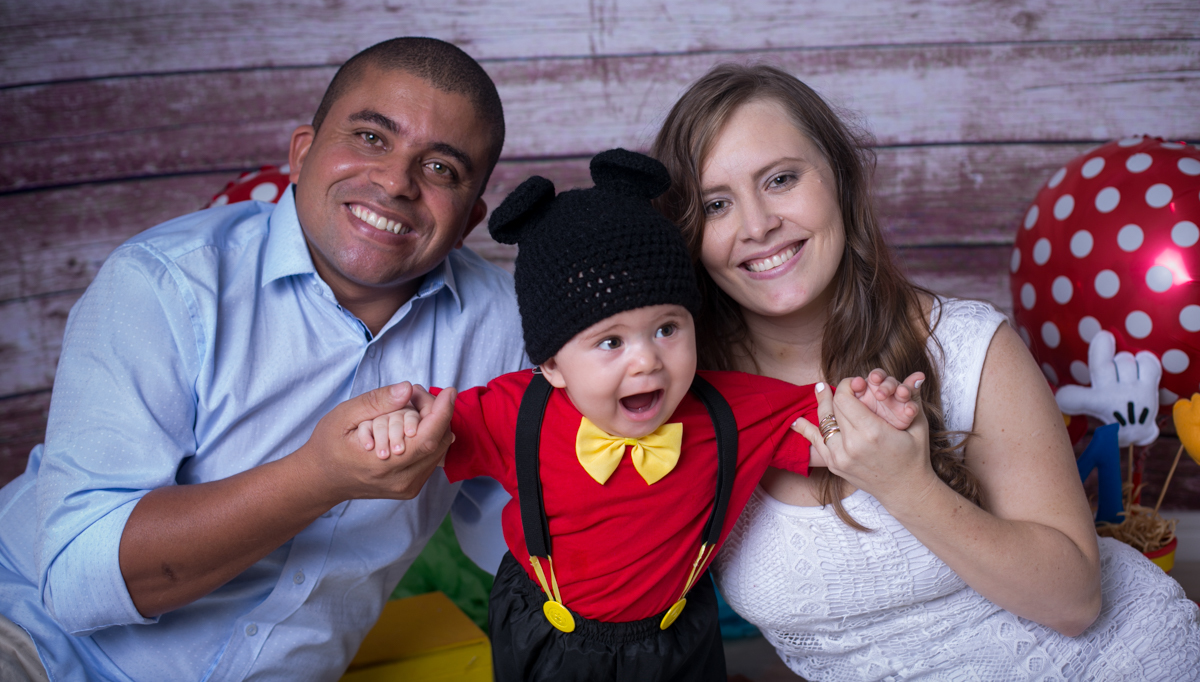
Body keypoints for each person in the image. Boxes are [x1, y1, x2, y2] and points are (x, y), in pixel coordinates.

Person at [0, 37, 527, 681]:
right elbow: (77, 578)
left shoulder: (509, 327)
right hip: (38, 643)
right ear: (302, 154)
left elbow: (517, 530)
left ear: (470, 218)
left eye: (441, 168)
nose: (395, 183)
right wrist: (318, 477)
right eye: (370, 138)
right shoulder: (164, 284)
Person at [651, 63, 1200, 680]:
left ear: (840, 177)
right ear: (687, 232)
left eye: (780, 179)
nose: (757, 225)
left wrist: (907, 486)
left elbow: (1074, 601)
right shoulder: (679, 393)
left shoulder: (967, 345)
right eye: (717, 204)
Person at [357, 149, 919, 681]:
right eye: (610, 343)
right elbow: (434, 423)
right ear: (553, 365)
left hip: (675, 636)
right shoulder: (515, 410)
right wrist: (401, 422)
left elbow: (823, 424)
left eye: (667, 328)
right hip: (546, 630)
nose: (647, 359)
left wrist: (873, 409)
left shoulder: (734, 410)